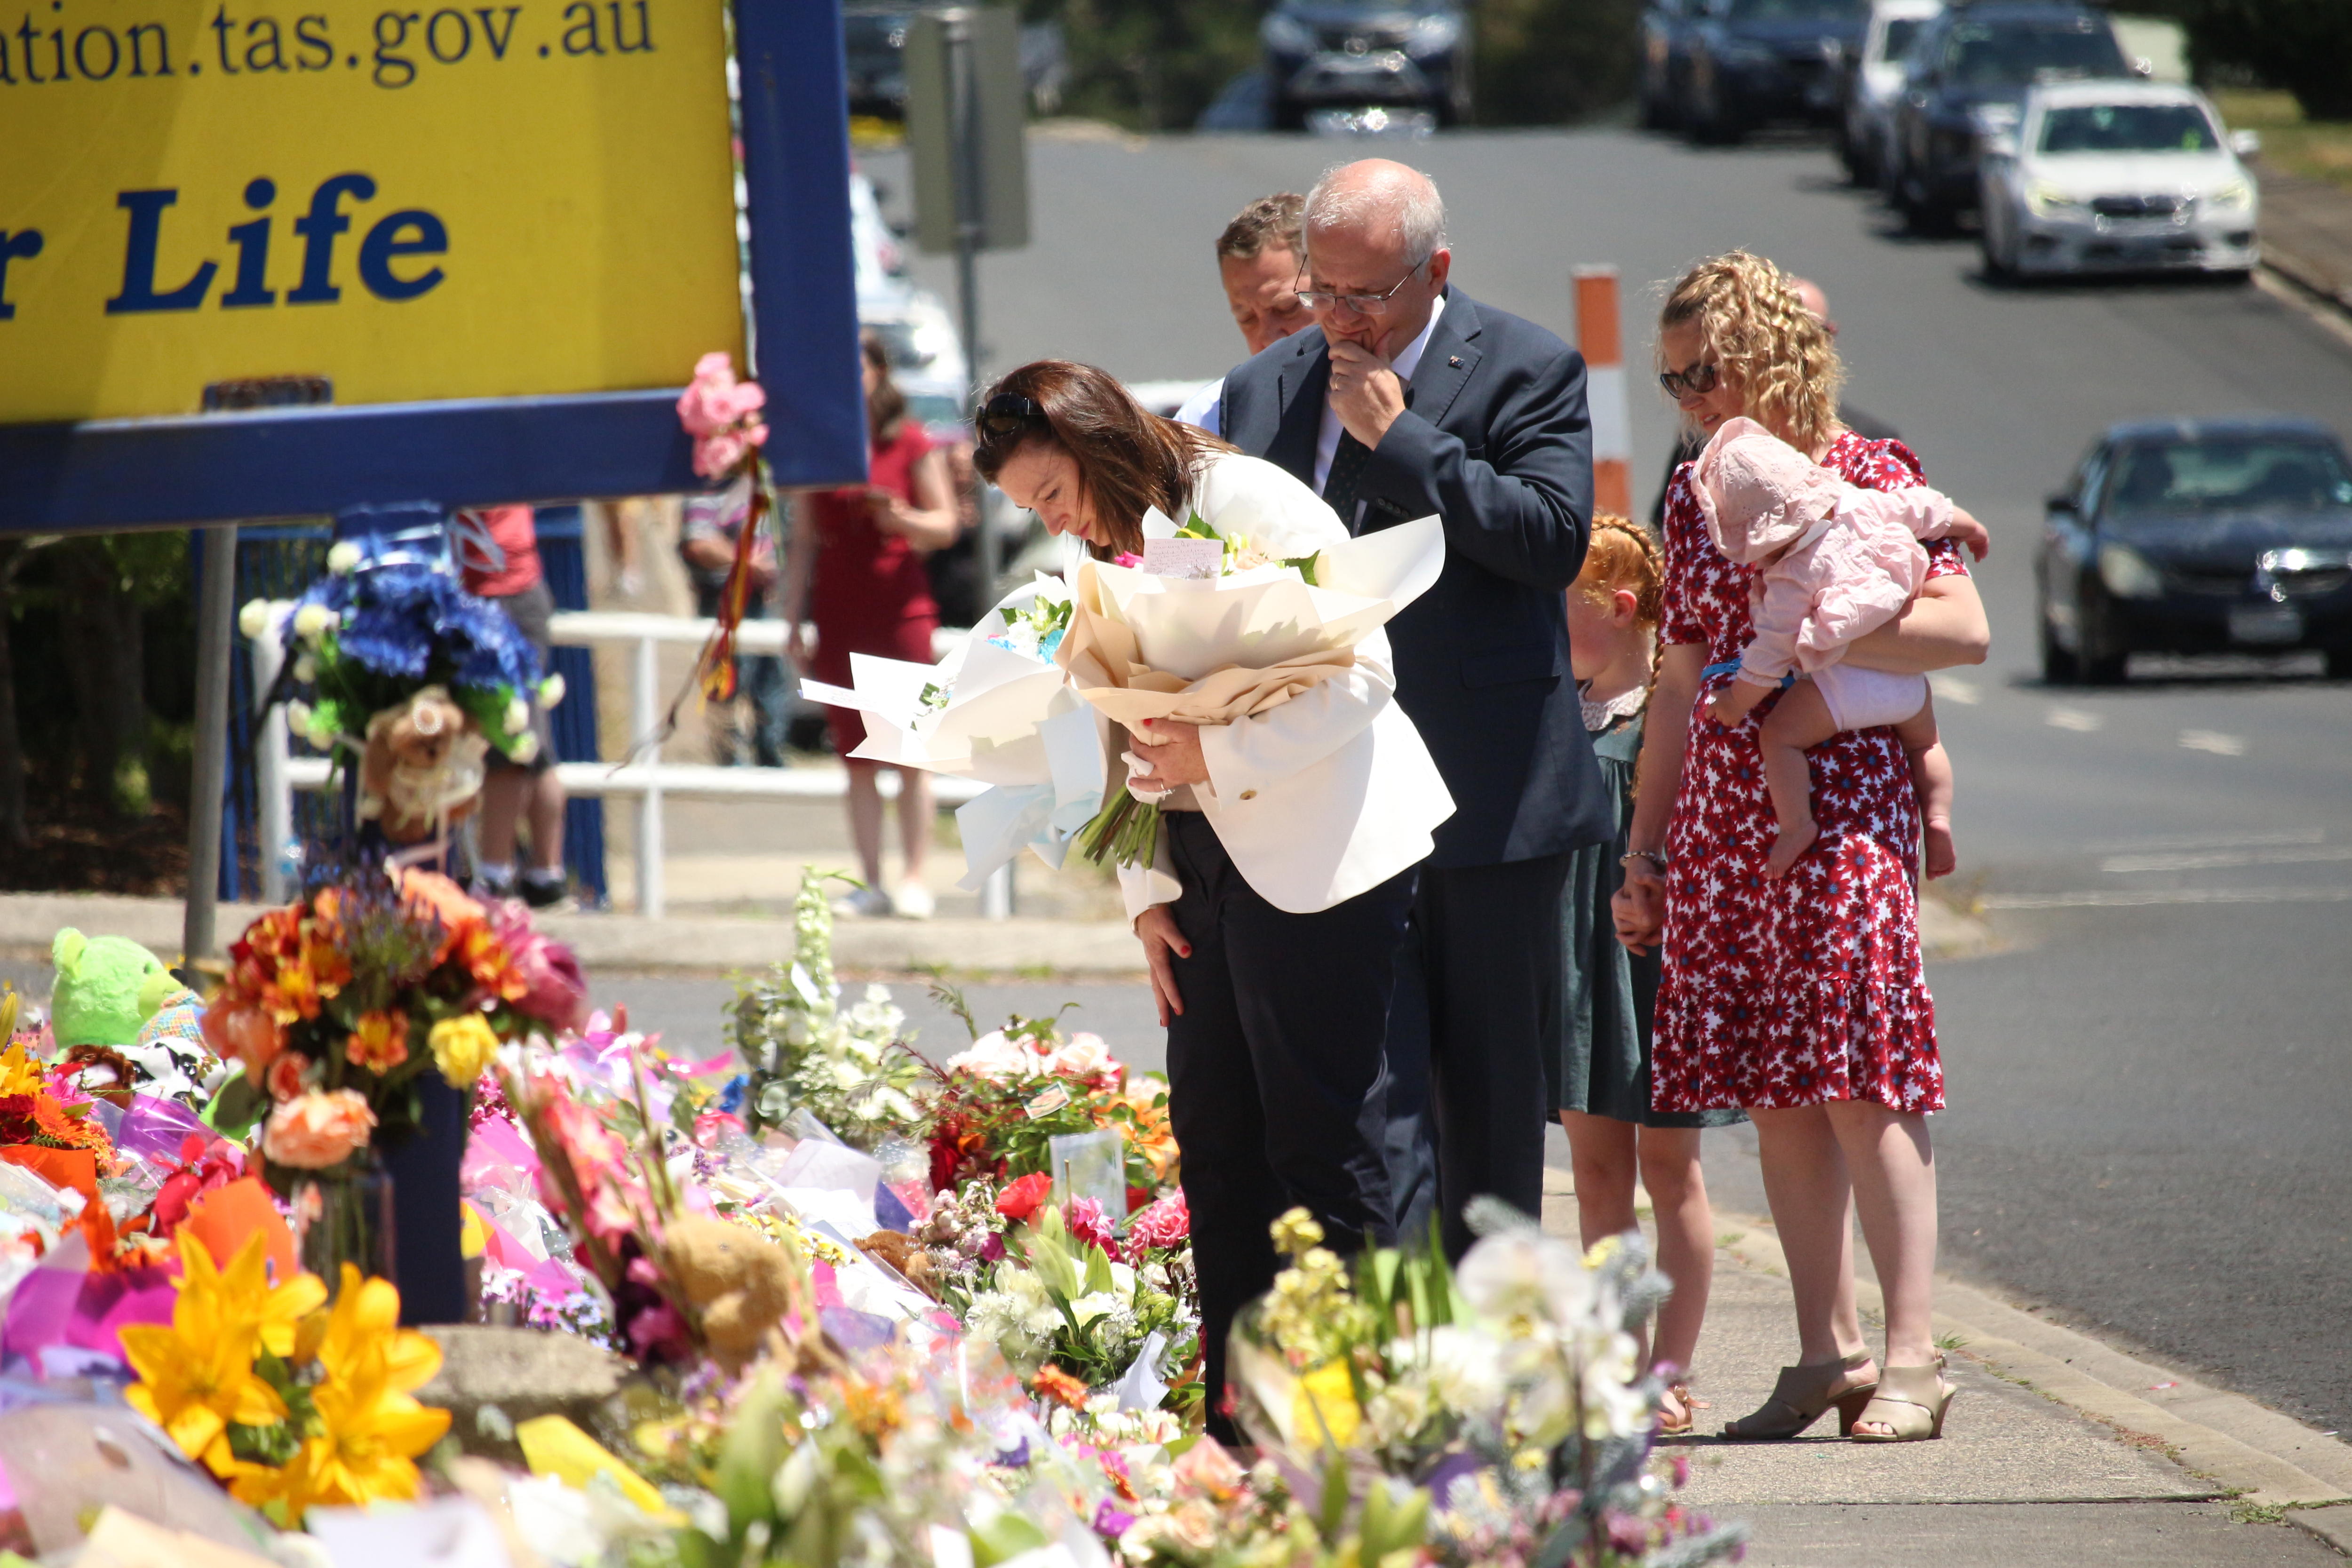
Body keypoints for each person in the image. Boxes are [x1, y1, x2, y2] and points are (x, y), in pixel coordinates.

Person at [973, 360, 1453, 1444]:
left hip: (1317, 854)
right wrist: (1145, 891)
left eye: (1051, 494)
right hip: (1195, 864)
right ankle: (1241, 1424)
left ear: (1094, 440)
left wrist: (1219, 747)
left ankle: (1348, 1419)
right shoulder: (1109, 545)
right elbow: (1127, 722)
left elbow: (1362, 670)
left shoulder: (1247, 501)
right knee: (1215, 1136)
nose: (1053, 521)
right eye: (1032, 510)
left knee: (1321, 1144)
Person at [1613, 251, 1990, 1444]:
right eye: (1672, 380)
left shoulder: (1871, 473)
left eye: (1706, 373)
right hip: (1729, 812)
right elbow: (1676, 682)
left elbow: (1964, 630)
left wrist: (1835, 592)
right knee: (1776, 1084)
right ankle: (1825, 1352)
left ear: (1771, 356)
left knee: (1863, 1077)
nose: (1692, 401)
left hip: (1847, 805)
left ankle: (1913, 1357)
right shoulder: (1695, 493)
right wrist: (1646, 847)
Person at [1217, 159, 1613, 1259]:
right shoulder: (1266, 388)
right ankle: (1396, 1363)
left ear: (1434, 269)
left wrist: (1404, 443)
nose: (1342, 320)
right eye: (1324, 293)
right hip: (1328, 802)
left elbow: (1550, 541)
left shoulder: (1526, 366)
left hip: (1487, 807)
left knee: (1488, 1113)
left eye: (1368, 295)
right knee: (1367, 1109)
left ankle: (1494, 1381)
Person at [1551, 515, 1745, 1438]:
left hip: (1657, 962)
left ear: (1620, 608)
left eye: (1564, 609)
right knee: (1596, 1174)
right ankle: (1623, 1368)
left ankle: (1671, 1367)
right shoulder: (1553, 713)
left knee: (1671, 1170)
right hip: (1579, 967)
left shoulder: (1670, 715)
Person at [1691, 417, 1988, 878]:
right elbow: (1925, 510)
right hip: (1907, 683)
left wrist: (1732, 703)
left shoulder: (1790, 579)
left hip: (1841, 692)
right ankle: (1937, 819)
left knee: (1777, 738)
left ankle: (1796, 826)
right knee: (1926, 743)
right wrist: (1969, 528)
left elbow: (1767, 659)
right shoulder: (1859, 504)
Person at [781, 328, 960, 917]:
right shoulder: (820, 447)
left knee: (910, 748)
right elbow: (802, 540)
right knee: (855, 754)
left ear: (879, 372)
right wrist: (792, 619)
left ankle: (913, 878)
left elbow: (946, 525)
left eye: (855, 367)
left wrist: (901, 517)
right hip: (839, 610)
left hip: (898, 606)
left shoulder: (909, 442)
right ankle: (870, 881)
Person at [1649, 276, 1898, 527]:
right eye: (1677, 381)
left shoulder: (1874, 470)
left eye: (1700, 375)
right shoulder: (1693, 489)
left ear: (1762, 360)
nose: (1686, 402)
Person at [454, 504, 569, 909]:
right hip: (500, 588)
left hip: (504, 591)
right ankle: (545, 874)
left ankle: (494, 873)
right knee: (531, 739)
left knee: (510, 741)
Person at [1173, 193, 1312, 437]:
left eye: (1287, 308)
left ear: (1334, 288)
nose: (1268, 338)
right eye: (1247, 318)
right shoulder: (1207, 421)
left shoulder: (1393, 397)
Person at [680, 479, 791, 768]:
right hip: (725, 597)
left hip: (763, 598)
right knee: (728, 681)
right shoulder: (707, 489)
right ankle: (730, 762)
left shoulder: (760, 482)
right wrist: (748, 564)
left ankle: (771, 757)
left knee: (772, 680)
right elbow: (698, 543)